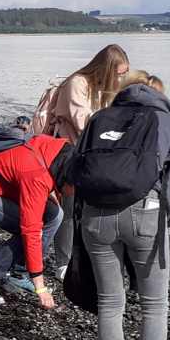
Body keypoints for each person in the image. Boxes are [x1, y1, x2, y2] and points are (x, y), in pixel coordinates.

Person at [76, 74, 170, 340]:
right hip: (145, 215)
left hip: (95, 217)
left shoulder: (100, 117)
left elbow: (78, 166)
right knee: (154, 306)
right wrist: (164, 222)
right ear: (161, 95)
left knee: (110, 303)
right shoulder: (167, 121)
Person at [0, 133, 73, 308]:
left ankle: (19, 276)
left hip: (8, 183)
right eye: (74, 191)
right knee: (25, 233)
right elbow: (30, 231)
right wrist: (40, 287)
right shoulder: (37, 177)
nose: (72, 196)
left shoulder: (63, 152)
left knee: (55, 216)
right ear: (67, 181)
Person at [48, 44, 129, 277]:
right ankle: (63, 263)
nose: (120, 78)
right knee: (70, 208)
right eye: (118, 73)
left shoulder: (102, 87)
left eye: (123, 74)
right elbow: (83, 121)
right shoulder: (77, 83)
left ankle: (86, 258)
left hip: (92, 153)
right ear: (105, 68)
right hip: (69, 152)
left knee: (89, 208)